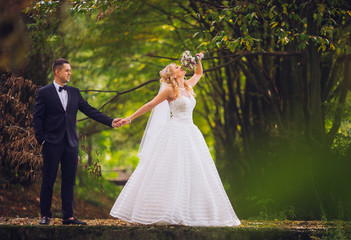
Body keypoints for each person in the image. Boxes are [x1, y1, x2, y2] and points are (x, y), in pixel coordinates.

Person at [110, 53, 240, 226]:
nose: (181, 67)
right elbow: (150, 105)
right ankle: (165, 210)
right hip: (175, 132)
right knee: (171, 170)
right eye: (177, 67)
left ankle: (193, 212)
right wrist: (129, 118)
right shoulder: (170, 90)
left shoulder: (187, 87)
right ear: (172, 76)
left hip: (191, 132)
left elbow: (199, 74)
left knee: (195, 170)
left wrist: (199, 60)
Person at [33, 58, 122, 225]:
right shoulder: (44, 92)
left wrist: (110, 121)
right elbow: (37, 118)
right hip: (51, 142)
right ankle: (45, 216)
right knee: (48, 179)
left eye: (70, 70)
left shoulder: (74, 92)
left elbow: (89, 110)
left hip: (71, 143)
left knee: (69, 181)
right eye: (67, 70)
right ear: (57, 72)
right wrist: (42, 140)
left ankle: (68, 216)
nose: (70, 73)